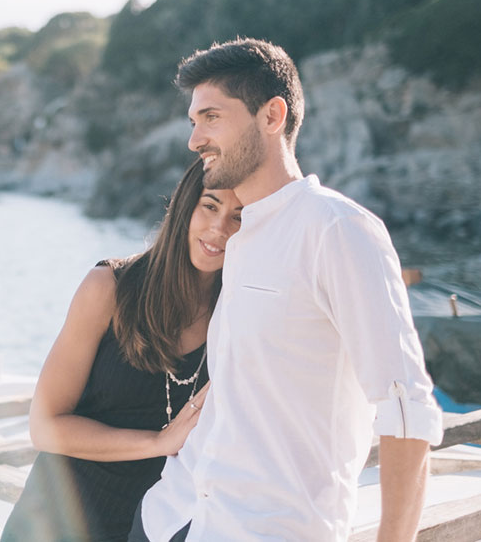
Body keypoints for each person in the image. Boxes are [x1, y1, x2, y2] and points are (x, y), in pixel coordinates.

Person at [131, 38, 444, 542]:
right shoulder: (241, 235)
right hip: (172, 516)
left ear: (272, 115)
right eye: (193, 121)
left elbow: (405, 407)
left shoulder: (336, 229)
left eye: (211, 117)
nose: (194, 139)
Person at [0, 160, 243, 542]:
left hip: (156, 522)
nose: (220, 229)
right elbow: (45, 427)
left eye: (238, 218)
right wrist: (158, 442)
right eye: (210, 206)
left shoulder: (238, 314)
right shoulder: (108, 288)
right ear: (184, 207)